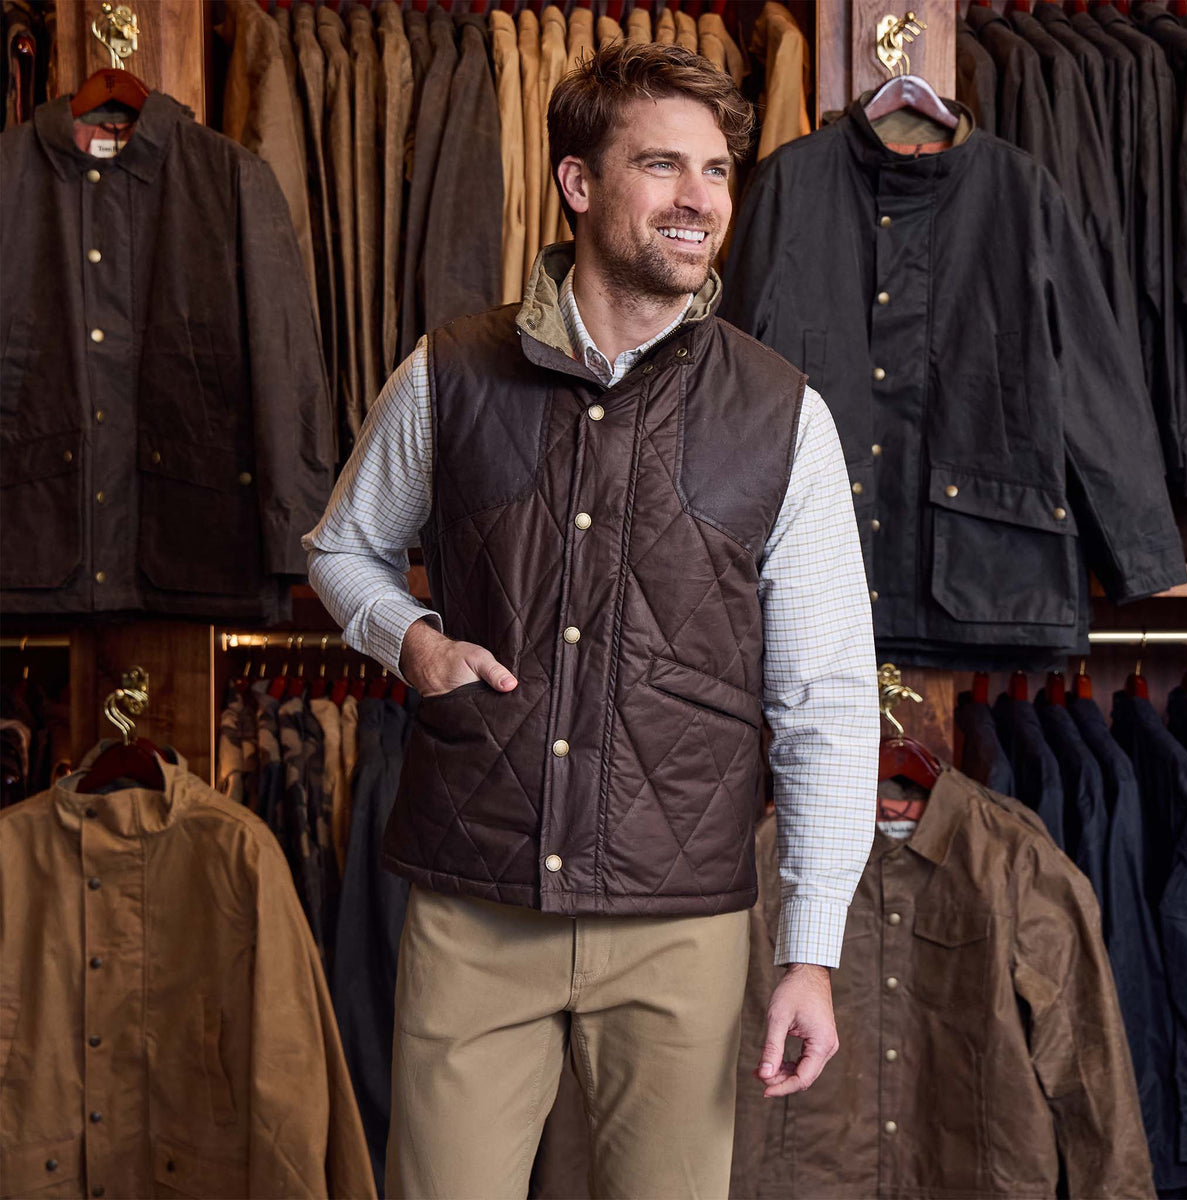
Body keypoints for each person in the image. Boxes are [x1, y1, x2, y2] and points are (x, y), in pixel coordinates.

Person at [304, 41, 877, 1200]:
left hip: (684, 930)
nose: (699, 200)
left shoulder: (782, 416)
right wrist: (409, 639)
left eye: (717, 171)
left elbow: (825, 694)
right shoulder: (449, 374)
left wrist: (810, 947)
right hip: (473, 905)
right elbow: (341, 548)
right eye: (662, 166)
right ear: (577, 184)